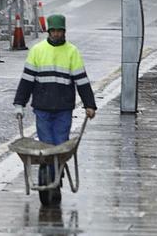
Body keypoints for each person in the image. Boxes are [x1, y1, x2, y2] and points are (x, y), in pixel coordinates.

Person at [13, 14, 97, 202]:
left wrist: (89, 104)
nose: (57, 34)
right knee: (46, 145)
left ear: (64, 32)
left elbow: (81, 81)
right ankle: (52, 176)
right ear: (48, 31)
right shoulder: (37, 51)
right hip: (42, 108)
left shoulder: (72, 52)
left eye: (60, 31)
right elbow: (27, 81)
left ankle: (55, 177)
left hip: (63, 108)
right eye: (54, 31)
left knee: (59, 144)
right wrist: (19, 103)